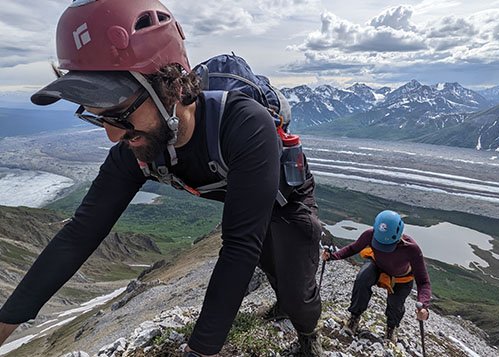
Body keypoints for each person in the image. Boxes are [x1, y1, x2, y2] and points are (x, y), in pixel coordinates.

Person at [0, 1, 323, 356]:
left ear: (169, 86)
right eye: (97, 118)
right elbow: (80, 234)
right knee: (272, 265)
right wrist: (6, 321)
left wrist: (200, 349)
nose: (112, 136)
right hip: (242, 198)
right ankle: (283, 301)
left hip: (286, 201)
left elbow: (238, 246)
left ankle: (308, 334)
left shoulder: (245, 124)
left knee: (298, 292)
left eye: (119, 114)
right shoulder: (136, 147)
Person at [321, 210, 431, 343]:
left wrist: (424, 306)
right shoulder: (370, 235)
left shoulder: (411, 249)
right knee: (363, 279)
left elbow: (423, 281)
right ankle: (354, 317)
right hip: (377, 266)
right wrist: (332, 256)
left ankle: (391, 328)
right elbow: (353, 249)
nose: (384, 247)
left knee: (395, 304)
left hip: (402, 278)